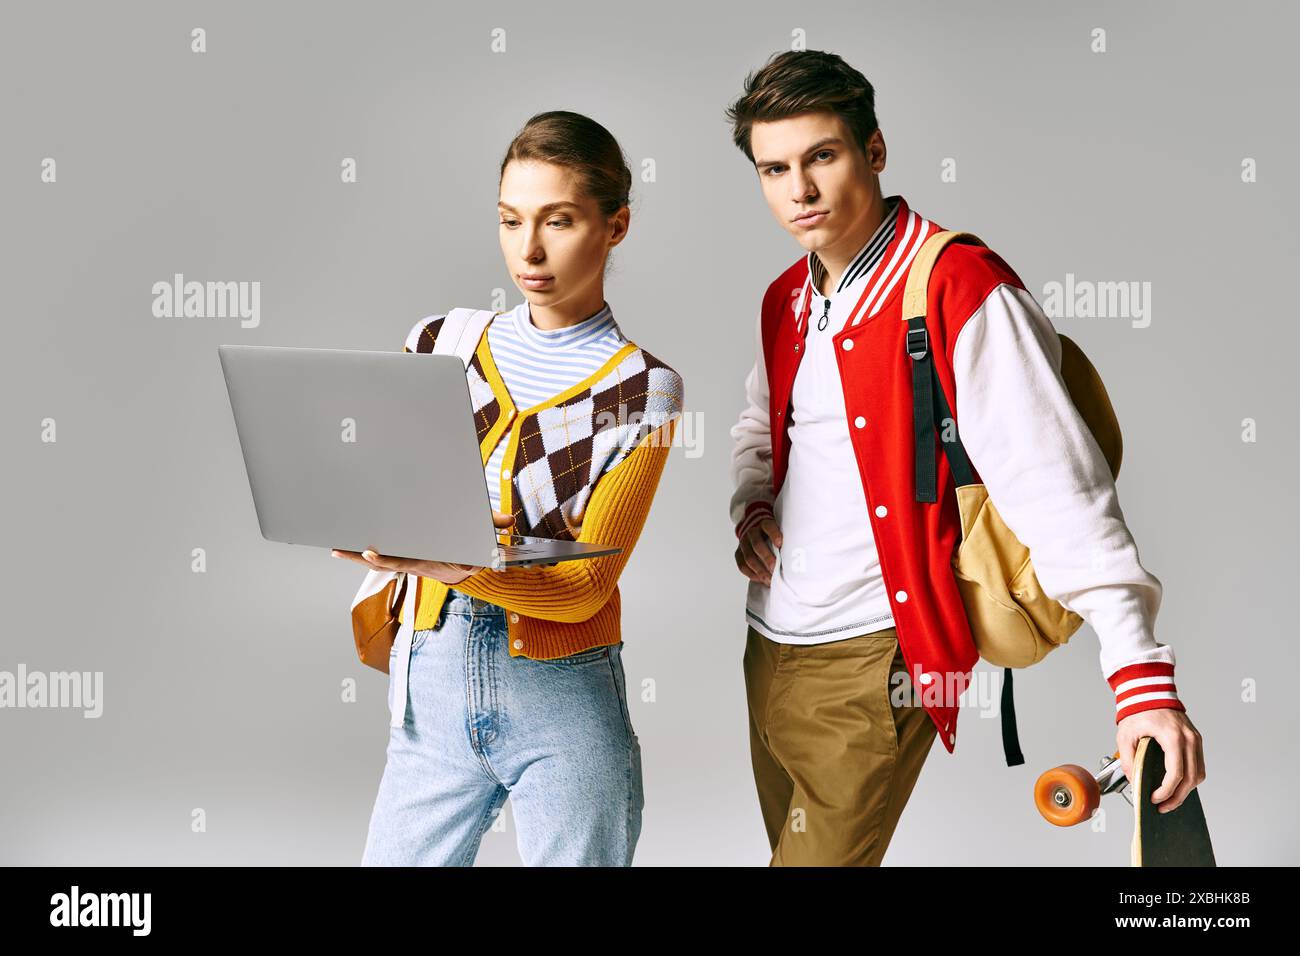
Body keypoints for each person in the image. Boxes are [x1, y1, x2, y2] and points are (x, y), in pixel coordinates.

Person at [724, 50, 1206, 865]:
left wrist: (1142, 682)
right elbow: (763, 427)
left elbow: (1059, 485)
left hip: (876, 659)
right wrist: (753, 506)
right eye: (774, 169)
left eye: (822, 157)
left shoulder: (958, 286)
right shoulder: (789, 298)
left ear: (874, 151)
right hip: (770, 648)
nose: (798, 190)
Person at [333, 110, 684, 866]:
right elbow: (394, 488)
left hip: (563, 696)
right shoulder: (437, 345)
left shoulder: (645, 390)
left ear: (615, 225)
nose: (528, 250)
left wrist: (463, 564)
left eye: (558, 221)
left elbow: (586, 584)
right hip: (433, 678)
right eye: (510, 220)